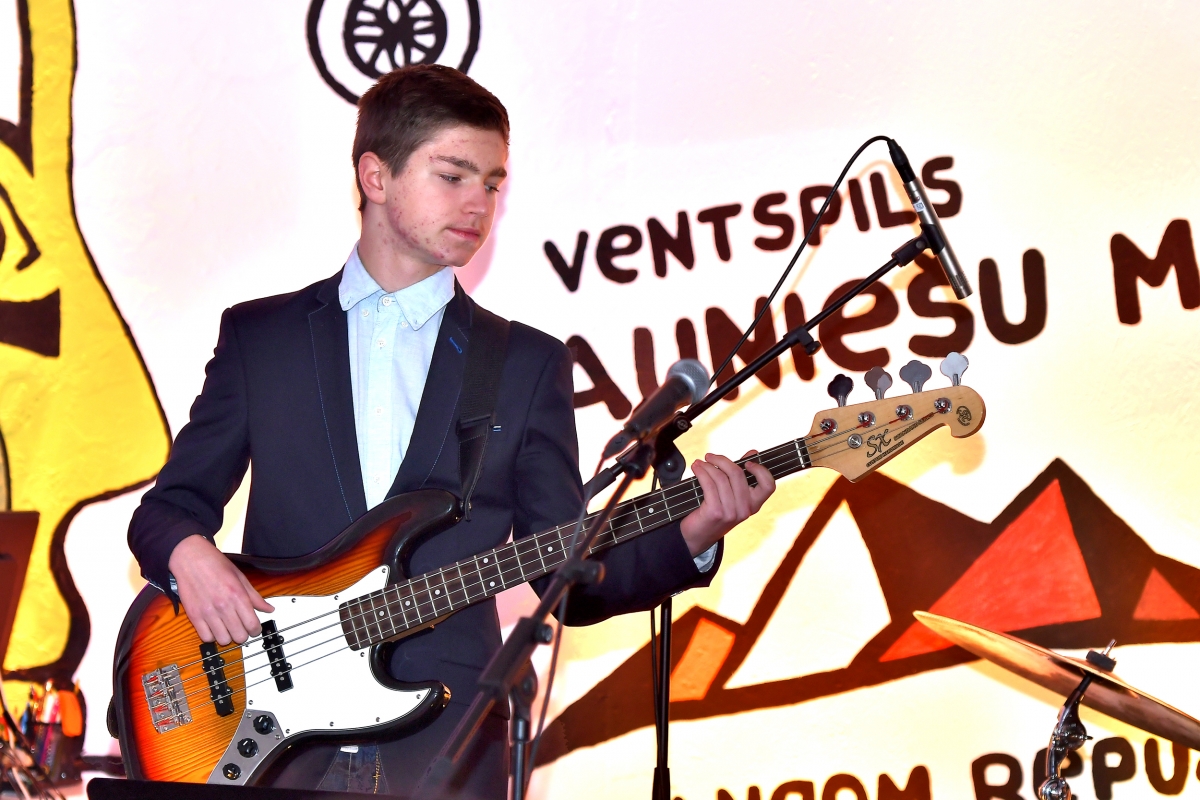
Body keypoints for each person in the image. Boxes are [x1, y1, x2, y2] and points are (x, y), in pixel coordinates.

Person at [127, 64, 775, 797]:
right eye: (453, 176)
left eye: (493, 184)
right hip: (271, 746)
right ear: (375, 176)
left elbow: (567, 574)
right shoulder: (262, 337)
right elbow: (166, 511)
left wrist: (693, 534)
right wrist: (189, 555)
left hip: (449, 749)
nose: (479, 204)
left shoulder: (526, 363)